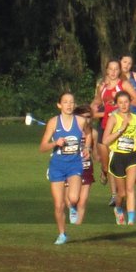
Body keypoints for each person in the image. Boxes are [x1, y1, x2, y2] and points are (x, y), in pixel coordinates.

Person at [40, 92, 88, 245]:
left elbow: (89, 134)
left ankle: (72, 206)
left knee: (74, 198)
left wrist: (87, 147)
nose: (69, 105)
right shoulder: (53, 122)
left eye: (71, 102)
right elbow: (42, 147)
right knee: (58, 205)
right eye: (65, 102)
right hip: (57, 166)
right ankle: (62, 233)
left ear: (74, 105)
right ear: (59, 105)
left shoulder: (81, 121)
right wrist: (55, 143)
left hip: (75, 164)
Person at [102, 90, 136, 225]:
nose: (124, 105)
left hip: (132, 156)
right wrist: (121, 129)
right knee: (122, 193)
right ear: (116, 104)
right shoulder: (114, 118)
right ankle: (118, 208)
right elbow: (105, 141)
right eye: (120, 102)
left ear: (130, 102)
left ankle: (131, 219)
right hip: (117, 156)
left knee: (130, 188)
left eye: (126, 102)